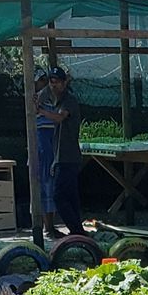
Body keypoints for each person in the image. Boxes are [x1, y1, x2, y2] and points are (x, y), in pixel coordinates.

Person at [35, 65, 84, 237]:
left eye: (56, 82)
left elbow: (60, 117)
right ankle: (78, 232)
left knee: (59, 197)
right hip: (61, 157)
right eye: (51, 82)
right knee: (70, 197)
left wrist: (40, 111)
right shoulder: (58, 101)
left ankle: (76, 231)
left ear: (64, 83)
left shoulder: (68, 101)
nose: (53, 85)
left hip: (68, 157)